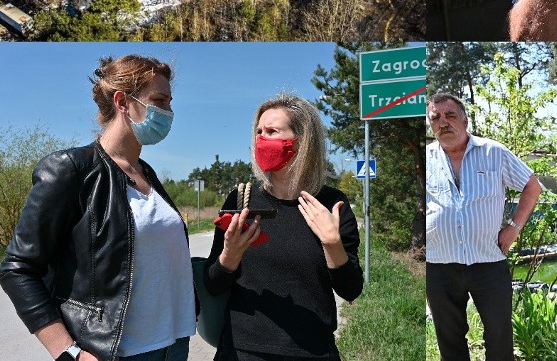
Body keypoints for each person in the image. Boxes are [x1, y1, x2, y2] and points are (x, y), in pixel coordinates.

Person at [0, 55, 195, 361]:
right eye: (159, 100)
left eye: (170, 102)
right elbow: (18, 267)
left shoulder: (146, 173)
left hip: (174, 344)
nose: (168, 112)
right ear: (122, 102)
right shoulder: (72, 169)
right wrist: (68, 352)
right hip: (117, 351)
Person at [204, 93, 363, 361]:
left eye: (272, 131)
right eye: (258, 132)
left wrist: (332, 244)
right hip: (242, 350)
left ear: (301, 141)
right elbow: (213, 284)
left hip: (312, 350)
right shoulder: (241, 200)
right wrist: (229, 256)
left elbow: (351, 290)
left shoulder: (332, 204)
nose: (261, 139)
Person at [426, 92, 542, 361]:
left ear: (465, 121)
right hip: (439, 265)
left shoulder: (493, 152)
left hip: (488, 261)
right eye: (436, 118)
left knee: (499, 336)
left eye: (450, 115)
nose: (443, 123)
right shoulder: (427, 158)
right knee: (449, 339)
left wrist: (514, 227)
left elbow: (531, 186)